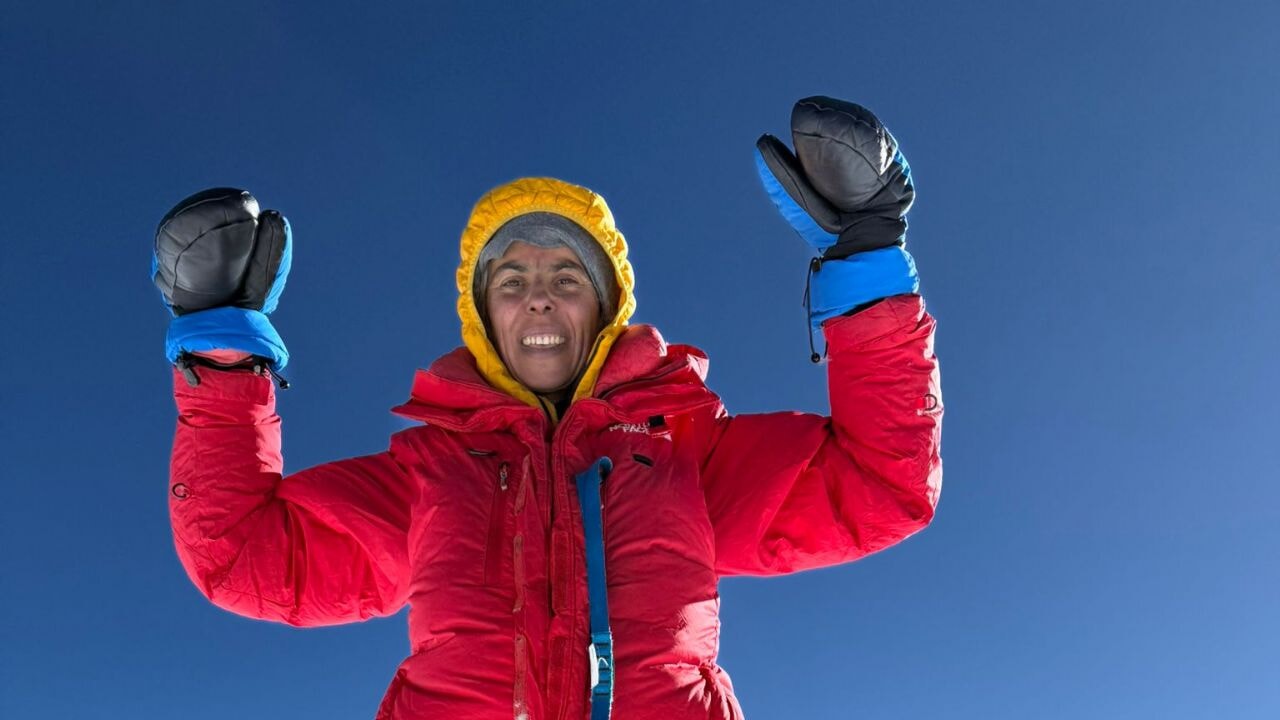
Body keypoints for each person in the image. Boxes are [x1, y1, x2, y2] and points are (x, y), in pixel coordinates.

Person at [154, 97, 943, 720]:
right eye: (512, 282)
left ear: (604, 310)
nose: (539, 298)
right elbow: (244, 555)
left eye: (567, 278)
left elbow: (880, 479)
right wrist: (223, 357)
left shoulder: (682, 453)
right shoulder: (431, 475)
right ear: (484, 319)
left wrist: (868, 262)